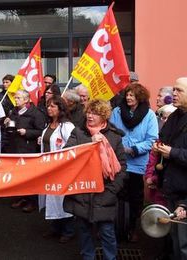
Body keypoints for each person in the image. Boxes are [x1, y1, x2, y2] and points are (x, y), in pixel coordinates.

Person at [64, 99, 126, 260]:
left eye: (96, 113)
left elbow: (122, 167)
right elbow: (67, 156)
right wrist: (88, 145)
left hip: (105, 193)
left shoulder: (114, 136)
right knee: (84, 233)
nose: (90, 116)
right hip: (82, 192)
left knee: (107, 233)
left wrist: (112, 191)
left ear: (104, 116)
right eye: (89, 112)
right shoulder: (79, 133)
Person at [110, 83, 158, 242]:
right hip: (118, 162)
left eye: (132, 95)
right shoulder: (117, 112)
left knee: (135, 198)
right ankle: (113, 228)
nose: (129, 97)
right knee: (115, 195)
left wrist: (134, 149)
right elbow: (111, 132)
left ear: (140, 97)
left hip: (137, 164)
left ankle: (132, 228)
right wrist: (118, 146)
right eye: (127, 95)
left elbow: (152, 139)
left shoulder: (149, 115)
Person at [153, 77, 187, 260]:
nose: (173, 93)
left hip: (184, 194)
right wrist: (158, 146)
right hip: (172, 187)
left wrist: (172, 153)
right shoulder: (175, 115)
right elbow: (164, 138)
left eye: (179, 90)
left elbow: (175, 151)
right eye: (173, 89)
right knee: (175, 240)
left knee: (183, 244)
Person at [38, 96, 75, 243]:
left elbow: (72, 146)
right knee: (51, 197)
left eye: (53, 106)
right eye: (48, 106)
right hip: (48, 167)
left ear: (61, 109)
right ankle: (55, 228)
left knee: (62, 199)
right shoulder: (48, 125)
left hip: (62, 169)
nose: (49, 108)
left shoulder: (66, 126)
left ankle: (68, 230)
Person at [5, 90, 46, 213]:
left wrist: (27, 132)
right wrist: (6, 123)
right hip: (15, 147)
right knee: (19, 175)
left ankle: (32, 201)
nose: (16, 100)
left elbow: (41, 131)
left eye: (18, 98)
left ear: (26, 100)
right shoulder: (14, 111)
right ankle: (22, 197)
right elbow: (10, 128)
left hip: (28, 148)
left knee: (30, 176)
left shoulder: (36, 113)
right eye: (15, 97)